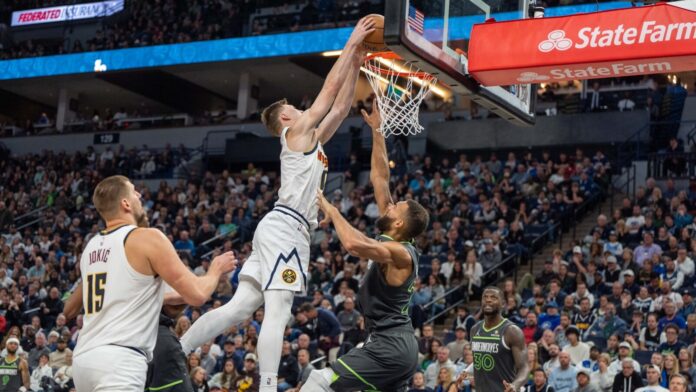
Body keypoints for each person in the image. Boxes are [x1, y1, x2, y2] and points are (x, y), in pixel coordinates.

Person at [180, 18, 375, 392]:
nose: (303, 109)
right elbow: (327, 92)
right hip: (287, 229)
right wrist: (350, 43)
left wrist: (357, 61)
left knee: (239, 309)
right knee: (279, 309)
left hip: (280, 227)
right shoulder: (294, 132)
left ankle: (179, 346)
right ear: (286, 118)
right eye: (295, 108)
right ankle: (268, 387)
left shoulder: (310, 138)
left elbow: (341, 106)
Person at [67, 175, 237, 391]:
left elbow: (69, 308)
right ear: (125, 203)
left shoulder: (91, 247)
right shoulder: (147, 238)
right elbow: (197, 294)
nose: (139, 195)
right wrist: (215, 270)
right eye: (134, 191)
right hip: (119, 360)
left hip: (84, 359)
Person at [305, 98, 429, 391]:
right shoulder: (395, 234)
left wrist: (331, 208)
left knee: (319, 380)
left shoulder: (400, 253)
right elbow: (380, 176)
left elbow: (353, 245)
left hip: (390, 345)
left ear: (399, 223)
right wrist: (377, 130)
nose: (392, 203)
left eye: (397, 206)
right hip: (393, 344)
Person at [470, 287, 529, 392]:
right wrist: (466, 371)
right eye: (485, 297)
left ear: (503, 304)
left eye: (493, 297)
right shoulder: (474, 330)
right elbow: (479, 362)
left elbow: (524, 368)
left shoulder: (511, 331)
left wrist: (515, 385)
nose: (488, 300)